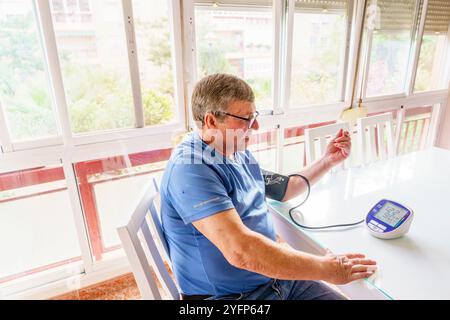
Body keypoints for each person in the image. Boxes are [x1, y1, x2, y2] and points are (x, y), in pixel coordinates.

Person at [159, 73, 377, 300]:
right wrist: (326, 269)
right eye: (246, 118)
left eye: (254, 116)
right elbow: (241, 251)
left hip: (274, 278)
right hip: (231, 297)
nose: (257, 125)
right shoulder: (191, 168)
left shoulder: (234, 151)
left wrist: (326, 161)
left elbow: (285, 189)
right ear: (211, 121)